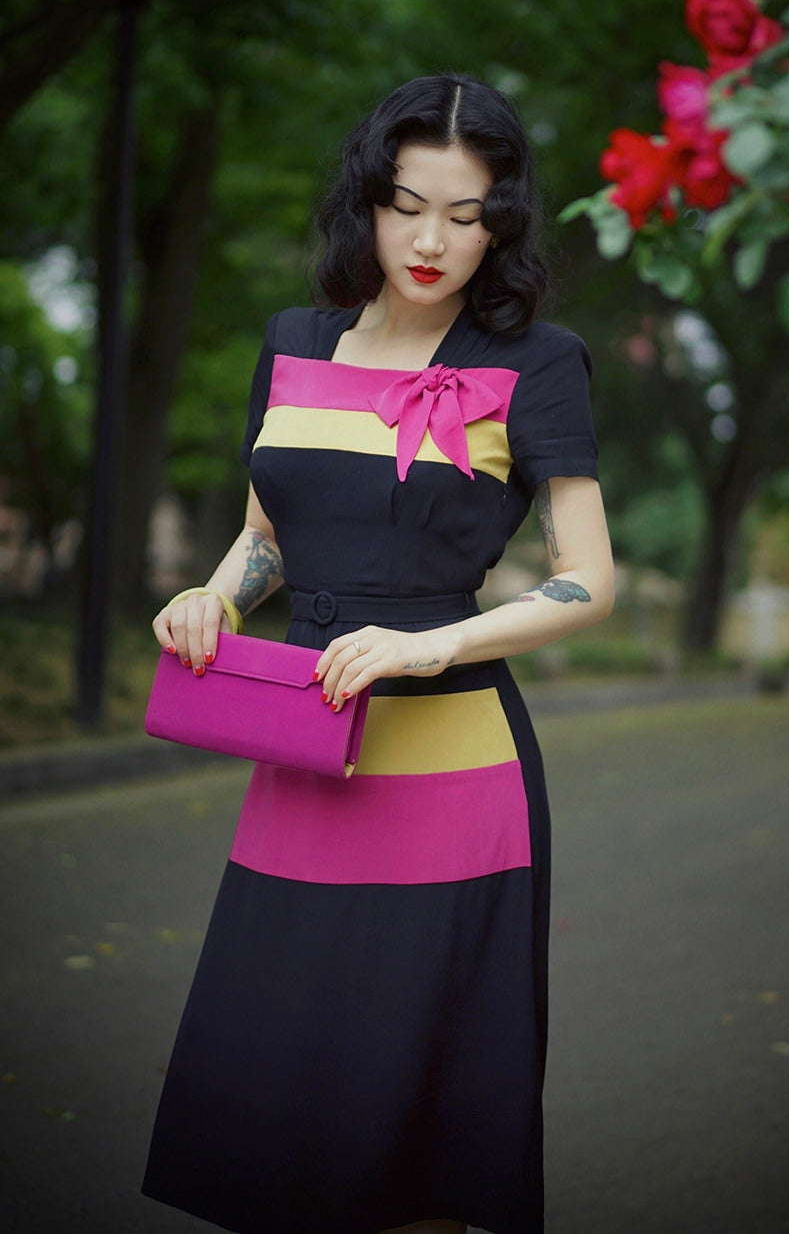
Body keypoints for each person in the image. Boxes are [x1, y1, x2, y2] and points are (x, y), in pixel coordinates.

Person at [142, 72, 615, 1234]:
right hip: (302, 760)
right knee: (280, 1116)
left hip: (453, 771)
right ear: (368, 200)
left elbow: (587, 579)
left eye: (466, 215)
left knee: (415, 1138)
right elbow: (263, 537)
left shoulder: (536, 360)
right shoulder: (292, 342)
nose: (432, 239)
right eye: (409, 206)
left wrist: (427, 643)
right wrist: (207, 600)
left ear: (498, 223)